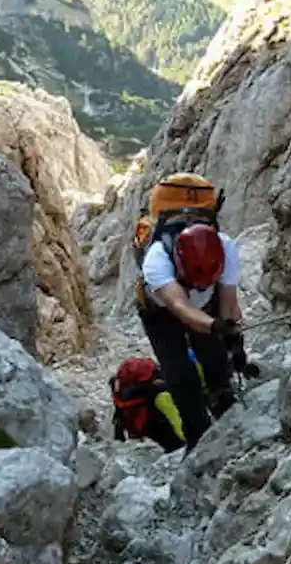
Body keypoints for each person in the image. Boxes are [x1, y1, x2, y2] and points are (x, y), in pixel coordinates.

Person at [132, 173, 259, 452]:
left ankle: (223, 402)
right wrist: (215, 327)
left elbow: (227, 301)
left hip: (204, 306)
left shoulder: (225, 247)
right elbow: (179, 307)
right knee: (179, 374)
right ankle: (197, 435)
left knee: (215, 359)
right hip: (160, 312)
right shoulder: (157, 258)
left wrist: (230, 337)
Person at [110, 357, 186, 453]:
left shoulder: (121, 395)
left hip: (142, 433)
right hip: (165, 436)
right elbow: (182, 434)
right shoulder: (161, 396)